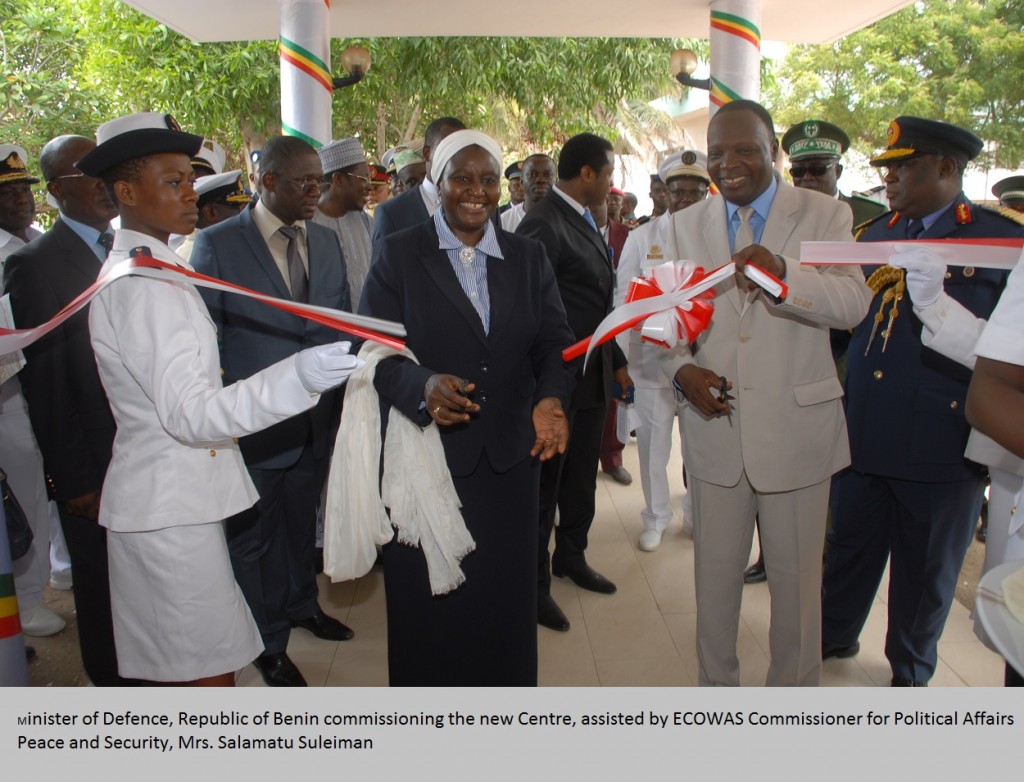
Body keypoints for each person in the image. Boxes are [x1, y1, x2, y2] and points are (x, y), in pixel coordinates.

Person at [79, 111, 360, 685]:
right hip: (171, 506)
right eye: (174, 181)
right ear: (127, 192)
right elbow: (192, 415)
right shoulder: (143, 287)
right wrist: (300, 376)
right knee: (205, 681)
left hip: (178, 501)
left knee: (204, 670)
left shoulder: (154, 268)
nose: (190, 192)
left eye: (188, 178)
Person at [659, 99, 871, 686]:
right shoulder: (682, 223)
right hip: (713, 434)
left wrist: (783, 273)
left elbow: (854, 305)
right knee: (714, 597)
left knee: (798, 605)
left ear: (774, 150)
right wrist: (681, 370)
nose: (728, 164)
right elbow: (655, 319)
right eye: (716, 153)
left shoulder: (827, 215)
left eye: (744, 150)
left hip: (797, 437)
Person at [358, 129, 575, 685]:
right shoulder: (399, 253)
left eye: (486, 180)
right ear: (438, 182)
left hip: (508, 461)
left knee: (503, 608)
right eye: (461, 178)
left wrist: (551, 397)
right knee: (428, 614)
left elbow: (554, 342)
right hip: (426, 458)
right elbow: (373, 352)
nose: (474, 192)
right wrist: (421, 385)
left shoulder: (527, 258)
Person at [821, 116, 1024, 686]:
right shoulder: (875, 233)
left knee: (926, 570)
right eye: (887, 168)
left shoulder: (999, 238)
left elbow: (1005, 352)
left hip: (942, 440)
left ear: (946, 167)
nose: (890, 179)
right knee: (848, 549)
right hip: (864, 429)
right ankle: (834, 632)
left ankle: (910, 670)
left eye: (905, 166)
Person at [191, 134, 355, 688]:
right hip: (254, 425)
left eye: (321, 182)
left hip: (315, 421)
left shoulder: (327, 241)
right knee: (254, 538)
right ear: (267, 182)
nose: (316, 192)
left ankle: (303, 605)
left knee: (298, 524)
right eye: (305, 182)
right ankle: (267, 641)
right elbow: (206, 341)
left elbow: (341, 323)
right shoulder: (218, 244)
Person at [3, 134, 133, 684]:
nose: (105, 183)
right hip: (92, 462)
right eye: (88, 174)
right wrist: (73, 479)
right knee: (103, 591)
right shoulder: (36, 265)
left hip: (140, 446)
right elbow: (48, 387)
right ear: (57, 190)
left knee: (139, 586)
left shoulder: (125, 246)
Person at [517, 132, 632, 633]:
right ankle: (534, 587)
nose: (611, 183)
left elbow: (597, 302)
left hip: (592, 376)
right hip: (558, 383)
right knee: (545, 489)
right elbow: (532, 313)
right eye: (608, 173)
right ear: (586, 173)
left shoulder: (585, 218)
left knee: (581, 477)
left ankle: (572, 556)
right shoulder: (543, 225)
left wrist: (618, 358)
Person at [616, 149, 710, 551]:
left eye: (695, 192)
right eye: (679, 191)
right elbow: (624, 299)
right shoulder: (642, 237)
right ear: (664, 193)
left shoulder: (717, 236)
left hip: (704, 361)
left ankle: (695, 514)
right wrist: (620, 360)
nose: (687, 199)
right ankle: (655, 517)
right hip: (653, 361)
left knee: (700, 447)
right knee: (654, 447)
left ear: (707, 192)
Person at [0, 143, 63, 640]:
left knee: (55, 482)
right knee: (24, 491)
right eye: (8, 192)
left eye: (24, 188)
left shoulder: (40, 240)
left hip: (46, 380)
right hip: (7, 393)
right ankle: (24, 598)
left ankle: (58, 567)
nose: (21, 199)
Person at [370, 117, 466, 262]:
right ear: (427, 154)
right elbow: (382, 277)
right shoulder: (391, 214)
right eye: (445, 149)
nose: (455, 157)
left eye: (461, 150)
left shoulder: (484, 207)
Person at [780, 119, 887, 229]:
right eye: (798, 171)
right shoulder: (779, 217)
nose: (807, 177)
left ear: (837, 171)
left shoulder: (872, 215)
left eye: (817, 169)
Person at [593, 199, 633, 486]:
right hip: (584, 326)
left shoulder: (626, 234)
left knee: (616, 397)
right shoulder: (570, 230)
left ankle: (612, 458)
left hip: (619, 322)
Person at [313, 137, 373, 305]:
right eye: (363, 178)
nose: (369, 186)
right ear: (338, 179)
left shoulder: (368, 223)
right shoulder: (307, 226)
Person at [175, 169, 250, 261]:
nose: (243, 214)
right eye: (236, 208)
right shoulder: (195, 256)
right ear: (210, 212)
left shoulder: (222, 246)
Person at [500, 153, 554, 233]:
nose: (540, 179)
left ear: (556, 181)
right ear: (522, 182)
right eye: (532, 174)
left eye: (547, 175)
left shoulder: (567, 218)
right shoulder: (504, 220)